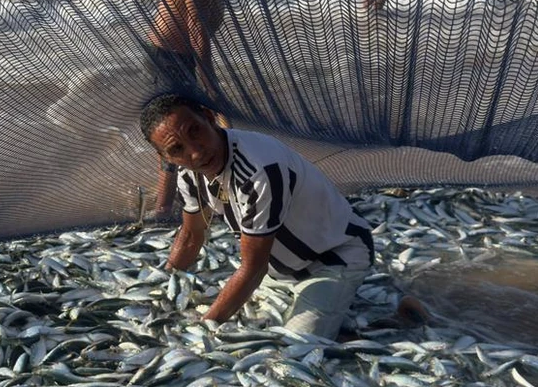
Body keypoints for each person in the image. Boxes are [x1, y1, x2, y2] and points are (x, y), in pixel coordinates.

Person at [139, 93, 376, 339]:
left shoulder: (259, 169)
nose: (196, 153)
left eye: (195, 131)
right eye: (177, 149)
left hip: (334, 258)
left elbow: (253, 268)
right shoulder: (189, 174)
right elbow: (191, 235)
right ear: (165, 158)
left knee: (296, 349)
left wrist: (204, 331)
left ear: (209, 118)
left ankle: (398, 319)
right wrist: (163, 285)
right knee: (250, 328)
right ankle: (336, 308)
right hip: (278, 273)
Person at [147, 0, 249, 221]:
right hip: (175, 57)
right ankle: (162, 209)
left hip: (167, 52)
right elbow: (196, 30)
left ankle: (182, 200)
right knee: (180, 132)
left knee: (188, 131)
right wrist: (210, 85)